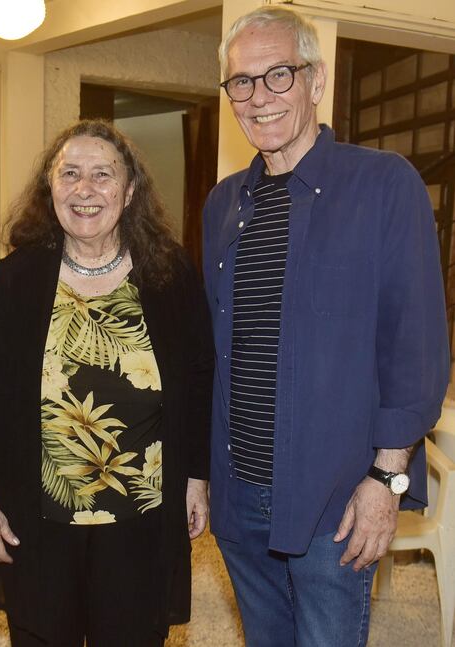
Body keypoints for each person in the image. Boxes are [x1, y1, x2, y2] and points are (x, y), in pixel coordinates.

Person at [202, 7, 450, 646]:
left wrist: (386, 480)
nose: (259, 98)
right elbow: (215, 347)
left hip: (334, 497)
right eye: (242, 82)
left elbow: (415, 348)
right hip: (239, 492)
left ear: (316, 81)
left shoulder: (384, 184)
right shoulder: (223, 203)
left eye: (277, 75)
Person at [0, 119, 214, 647]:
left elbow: (197, 378)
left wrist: (196, 479)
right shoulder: (16, 278)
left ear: (130, 189)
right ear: (50, 188)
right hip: (40, 513)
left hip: (142, 514)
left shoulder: (169, 274)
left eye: (102, 174)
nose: (85, 189)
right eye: (69, 173)